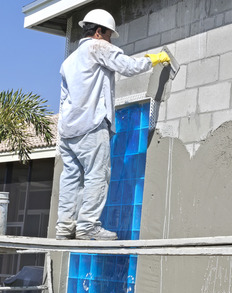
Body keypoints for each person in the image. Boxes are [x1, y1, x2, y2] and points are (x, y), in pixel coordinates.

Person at [56, 9, 170, 240]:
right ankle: (87, 227)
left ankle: (64, 228)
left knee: (71, 178)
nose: (110, 40)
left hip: (69, 130)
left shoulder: (68, 62)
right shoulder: (97, 47)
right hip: (91, 125)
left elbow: (63, 99)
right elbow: (127, 66)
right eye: (109, 35)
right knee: (97, 175)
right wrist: (153, 59)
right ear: (99, 32)